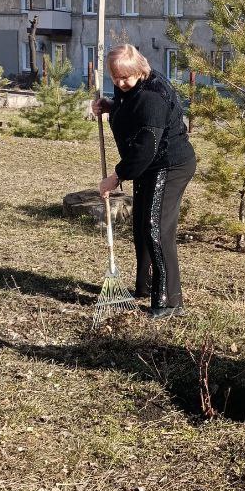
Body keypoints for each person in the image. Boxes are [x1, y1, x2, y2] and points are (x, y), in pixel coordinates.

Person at [91, 45, 196, 319]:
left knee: (156, 228)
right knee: (141, 226)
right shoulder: (132, 88)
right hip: (149, 166)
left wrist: (116, 177)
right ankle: (146, 286)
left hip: (169, 165)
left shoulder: (152, 97)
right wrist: (110, 106)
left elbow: (145, 147)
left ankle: (170, 301)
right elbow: (130, 106)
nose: (120, 84)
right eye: (115, 78)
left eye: (125, 78)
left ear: (140, 70)